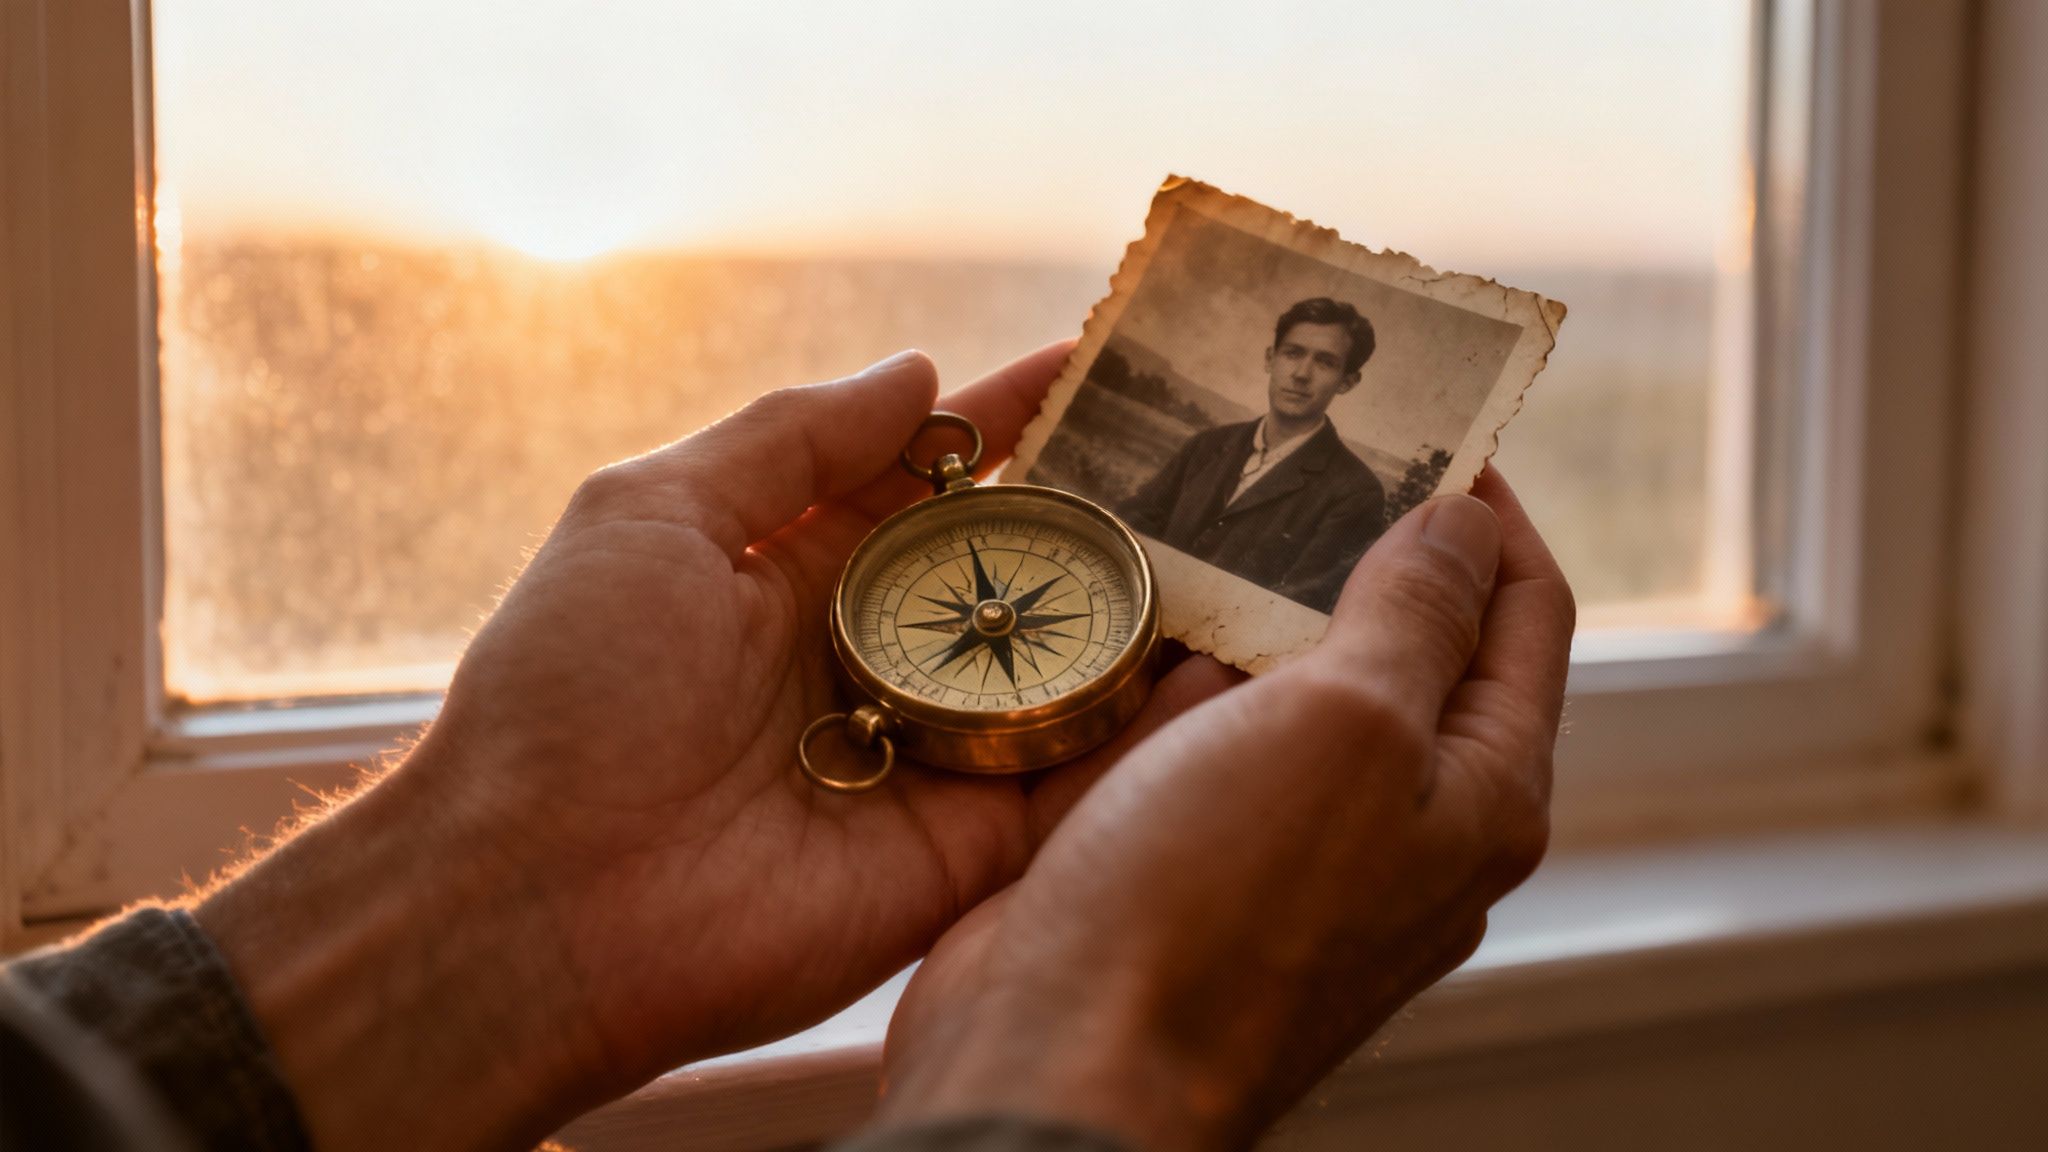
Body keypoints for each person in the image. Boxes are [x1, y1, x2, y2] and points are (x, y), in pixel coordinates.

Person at [0, 343, 1572, 1152]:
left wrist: (486, 888)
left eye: (1323, 366)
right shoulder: (1199, 446)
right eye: (1282, 356)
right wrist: (1118, 1048)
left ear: (1349, 382)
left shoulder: (1327, 475)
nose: (1295, 381)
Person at [1118, 298, 1387, 614]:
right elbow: (1131, 525)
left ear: (1347, 382)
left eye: (1325, 362)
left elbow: (1294, 609)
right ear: (1271, 359)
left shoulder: (1355, 494)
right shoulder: (1207, 445)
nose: (1301, 373)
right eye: (1293, 353)